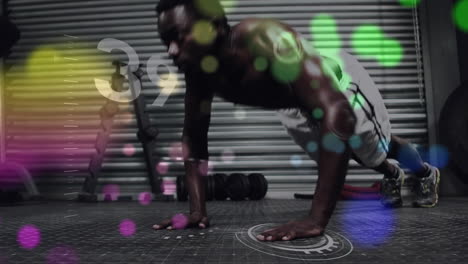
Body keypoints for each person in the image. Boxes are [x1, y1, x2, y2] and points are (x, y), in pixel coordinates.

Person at [152, 0, 440, 242]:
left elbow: (338, 112)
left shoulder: (266, 39)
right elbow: (194, 137)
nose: (172, 52)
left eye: (180, 36)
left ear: (213, 27)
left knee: (376, 147)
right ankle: (392, 174)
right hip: (295, 104)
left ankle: (425, 172)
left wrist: (316, 219)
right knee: (355, 156)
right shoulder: (199, 71)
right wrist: (197, 211)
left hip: (336, 84)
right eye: (166, 42)